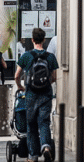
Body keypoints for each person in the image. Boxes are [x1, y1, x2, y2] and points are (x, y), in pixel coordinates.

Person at [14, 27, 59, 161]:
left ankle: (33, 156)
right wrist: (45, 85)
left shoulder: (26, 56)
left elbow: (17, 75)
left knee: (31, 124)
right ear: (44, 40)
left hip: (30, 95)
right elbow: (54, 77)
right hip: (45, 94)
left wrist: (20, 86)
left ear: (32, 40)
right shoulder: (50, 57)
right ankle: (45, 146)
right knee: (44, 122)